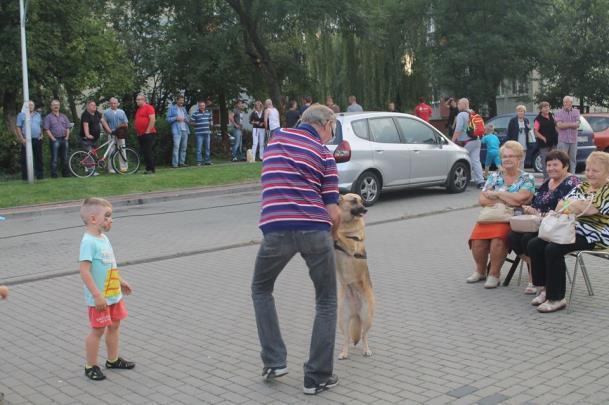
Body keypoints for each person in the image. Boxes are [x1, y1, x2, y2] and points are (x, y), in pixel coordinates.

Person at [252, 104, 341, 395]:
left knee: (261, 289)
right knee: (326, 301)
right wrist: (334, 236)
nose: (332, 134)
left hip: (275, 229)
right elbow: (333, 212)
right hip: (315, 229)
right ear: (325, 123)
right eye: (333, 127)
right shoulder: (325, 155)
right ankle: (316, 377)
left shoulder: (276, 139)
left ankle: (275, 361)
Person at [528, 151, 609, 313]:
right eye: (587, 170)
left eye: (595, 171)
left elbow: (590, 209)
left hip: (596, 235)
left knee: (554, 249)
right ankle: (545, 289)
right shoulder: (583, 186)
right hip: (571, 229)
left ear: (607, 172)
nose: (589, 174)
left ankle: (557, 298)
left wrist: (573, 204)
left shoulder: (607, 190)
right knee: (535, 244)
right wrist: (577, 204)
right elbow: (559, 206)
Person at [507, 150, 580, 294]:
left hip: (557, 225)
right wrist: (530, 208)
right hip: (538, 222)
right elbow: (537, 201)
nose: (551, 168)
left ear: (565, 166)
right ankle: (536, 272)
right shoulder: (548, 182)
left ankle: (537, 279)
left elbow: (566, 210)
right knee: (512, 236)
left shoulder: (572, 183)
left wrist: (540, 214)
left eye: (555, 164)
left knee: (529, 239)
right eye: (548, 165)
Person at [78, 197, 134, 381]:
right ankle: (90, 366)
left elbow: (109, 265)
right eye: (107, 216)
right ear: (93, 219)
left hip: (113, 294)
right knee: (98, 330)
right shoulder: (88, 242)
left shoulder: (104, 238)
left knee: (115, 325)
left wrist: (120, 280)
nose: (111, 220)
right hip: (99, 298)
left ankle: (112, 359)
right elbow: (84, 271)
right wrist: (96, 295)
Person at [466, 141, 535, 288]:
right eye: (504, 156)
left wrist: (497, 194)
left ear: (519, 158)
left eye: (511, 156)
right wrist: (509, 197)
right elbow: (482, 199)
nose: (507, 159)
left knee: (498, 239)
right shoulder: (494, 176)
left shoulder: (527, 178)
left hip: (512, 218)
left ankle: (494, 274)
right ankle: (480, 271)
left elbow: (521, 199)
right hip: (490, 216)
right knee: (477, 239)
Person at [452, 98, 485, 188]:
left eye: (459, 104)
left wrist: (452, 141)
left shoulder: (461, 115)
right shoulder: (473, 113)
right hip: (477, 140)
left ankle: (462, 179)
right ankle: (480, 181)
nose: (458, 105)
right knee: (476, 161)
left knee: (459, 160)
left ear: (464, 105)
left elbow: (458, 129)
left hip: (466, 142)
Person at [16, 100, 44, 180]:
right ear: (25, 106)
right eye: (29, 105)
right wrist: (21, 138)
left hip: (37, 139)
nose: (30, 106)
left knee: (39, 158)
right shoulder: (21, 115)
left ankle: (40, 176)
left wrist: (41, 134)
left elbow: (41, 125)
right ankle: (25, 177)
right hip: (26, 140)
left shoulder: (38, 115)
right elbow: (18, 127)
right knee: (25, 158)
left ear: (34, 106)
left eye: (32, 105)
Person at [43, 99, 71, 178]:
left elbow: (68, 127)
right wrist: (52, 138)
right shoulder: (48, 117)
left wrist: (67, 137)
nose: (56, 106)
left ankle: (66, 175)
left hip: (64, 139)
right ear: (51, 106)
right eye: (54, 105)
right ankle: (54, 176)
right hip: (55, 140)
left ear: (59, 106)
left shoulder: (64, 116)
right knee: (54, 159)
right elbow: (46, 129)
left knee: (65, 158)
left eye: (57, 105)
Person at [102, 97, 129, 173]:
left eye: (115, 103)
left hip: (120, 133)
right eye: (111, 103)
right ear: (109, 104)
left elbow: (126, 124)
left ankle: (123, 167)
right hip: (111, 134)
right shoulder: (106, 112)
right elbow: (103, 123)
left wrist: (120, 126)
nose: (113, 104)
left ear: (118, 104)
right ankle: (111, 169)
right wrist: (107, 131)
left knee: (122, 149)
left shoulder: (122, 112)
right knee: (111, 150)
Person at [555, 95, 581, 174]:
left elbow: (578, 125)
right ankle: (562, 175)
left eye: (567, 102)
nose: (566, 104)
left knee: (573, 159)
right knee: (562, 159)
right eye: (564, 102)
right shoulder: (559, 113)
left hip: (573, 139)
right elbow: (559, 125)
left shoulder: (576, 112)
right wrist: (572, 124)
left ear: (571, 103)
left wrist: (565, 124)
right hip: (563, 139)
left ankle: (572, 176)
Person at [534, 101, 559, 179]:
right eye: (544, 107)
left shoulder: (552, 116)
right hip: (544, 144)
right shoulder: (537, 119)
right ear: (541, 109)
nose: (547, 108)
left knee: (554, 160)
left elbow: (556, 126)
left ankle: (554, 177)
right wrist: (543, 138)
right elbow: (535, 131)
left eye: (548, 107)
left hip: (553, 142)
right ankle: (546, 178)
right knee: (545, 161)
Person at [134, 94, 156, 174]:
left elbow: (152, 120)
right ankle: (148, 168)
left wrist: (148, 131)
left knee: (148, 151)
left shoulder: (149, 107)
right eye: (137, 99)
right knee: (144, 151)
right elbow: (138, 121)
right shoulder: (139, 109)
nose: (137, 101)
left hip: (148, 133)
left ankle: (151, 169)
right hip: (141, 134)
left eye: (139, 99)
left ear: (144, 100)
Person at [167, 95, 190, 168]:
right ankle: (175, 164)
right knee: (176, 147)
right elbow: (168, 119)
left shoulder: (184, 109)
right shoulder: (172, 108)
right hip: (177, 130)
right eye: (180, 100)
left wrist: (186, 119)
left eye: (182, 101)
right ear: (177, 101)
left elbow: (187, 119)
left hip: (185, 130)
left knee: (184, 147)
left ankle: (182, 162)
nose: (181, 102)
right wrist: (176, 118)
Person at [506, 105, 531, 170]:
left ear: (524, 112)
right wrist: (509, 144)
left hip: (524, 144)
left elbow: (528, 131)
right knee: (515, 160)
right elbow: (509, 132)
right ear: (517, 112)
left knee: (522, 161)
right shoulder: (513, 120)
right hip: (515, 144)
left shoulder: (526, 120)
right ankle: (515, 175)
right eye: (519, 111)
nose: (520, 112)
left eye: (522, 111)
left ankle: (520, 175)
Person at [190, 100, 213, 166]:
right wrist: (196, 124)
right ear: (198, 106)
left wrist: (210, 128)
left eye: (203, 105)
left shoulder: (208, 113)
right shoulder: (195, 113)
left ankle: (207, 161)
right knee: (199, 148)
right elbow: (191, 122)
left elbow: (210, 121)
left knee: (207, 148)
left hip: (207, 132)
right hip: (199, 133)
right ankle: (199, 161)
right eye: (200, 106)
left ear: (205, 106)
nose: (202, 107)